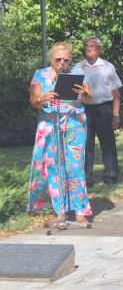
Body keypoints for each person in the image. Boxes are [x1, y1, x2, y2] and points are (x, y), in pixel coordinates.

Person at [27, 41, 93, 227]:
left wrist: (84, 93)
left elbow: (90, 99)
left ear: (70, 60)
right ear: (51, 58)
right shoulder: (40, 75)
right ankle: (60, 211)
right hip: (50, 124)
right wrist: (42, 98)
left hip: (74, 124)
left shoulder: (77, 74)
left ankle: (80, 211)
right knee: (54, 167)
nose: (62, 63)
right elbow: (33, 101)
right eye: (58, 59)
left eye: (66, 60)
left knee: (75, 166)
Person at [75, 36, 122, 186]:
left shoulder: (108, 67)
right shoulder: (78, 68)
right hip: (84, 110)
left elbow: (116, 94)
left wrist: (115, 115)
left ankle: (111, 175)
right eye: (87, 46)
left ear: (99, 49)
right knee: (86, 144)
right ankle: (86, 177)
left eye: (93, 46)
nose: (90, 49)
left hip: (104, 109)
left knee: (108, 144)